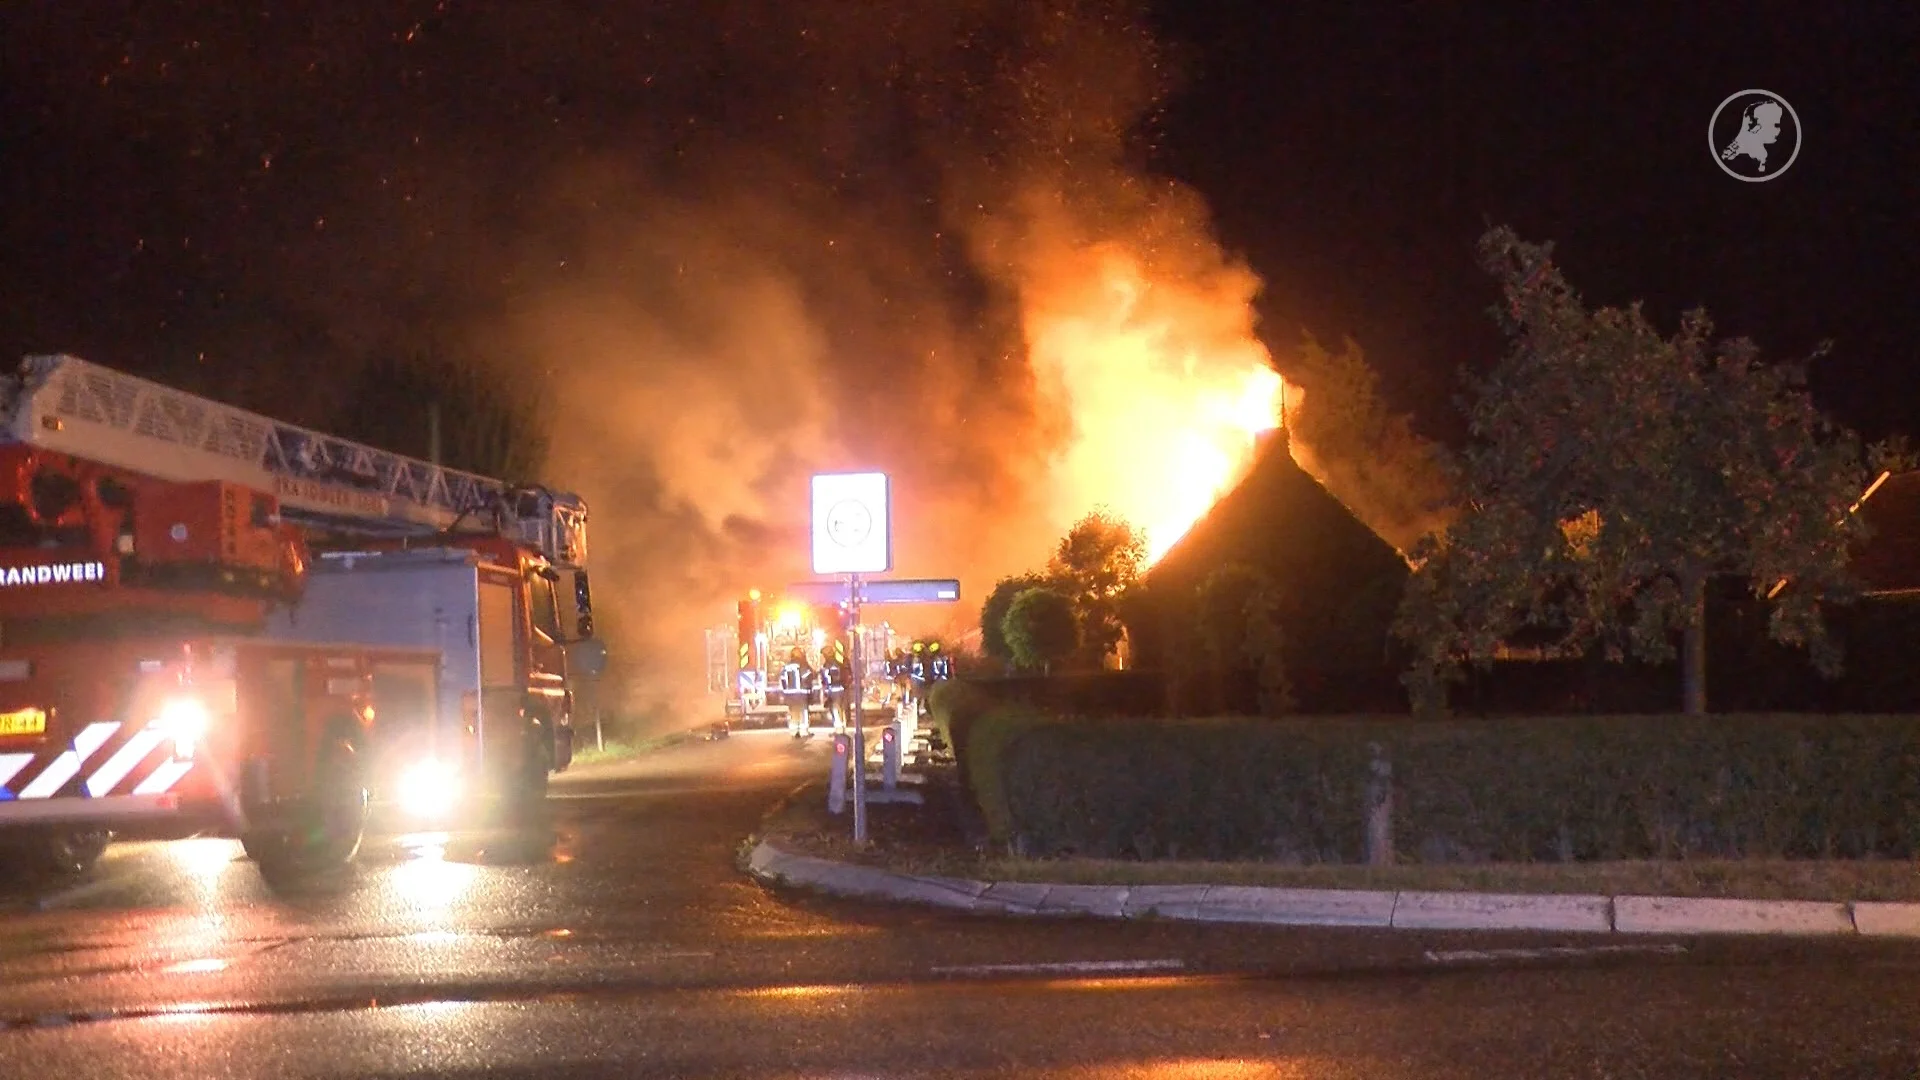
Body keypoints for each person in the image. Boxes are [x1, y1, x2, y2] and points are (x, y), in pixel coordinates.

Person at [777, 648, 813, 739]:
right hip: (801, 693)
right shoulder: (802, 665)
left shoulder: (786, 666)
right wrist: (809, 688)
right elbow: (808, 676)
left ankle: (793, 731)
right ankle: (803, 731)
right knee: (803, 711)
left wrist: (785, 690)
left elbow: (782, 678)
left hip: (790, 694)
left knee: (793, 711)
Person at [820, 643, 849, 734]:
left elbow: (826, 678)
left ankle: (839, 729)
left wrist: (826, 689)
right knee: (841, 708)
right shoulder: (839, 662)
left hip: (833, 689)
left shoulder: (827, 665)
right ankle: (842, 726)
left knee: (835, 709)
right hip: (841, 688)